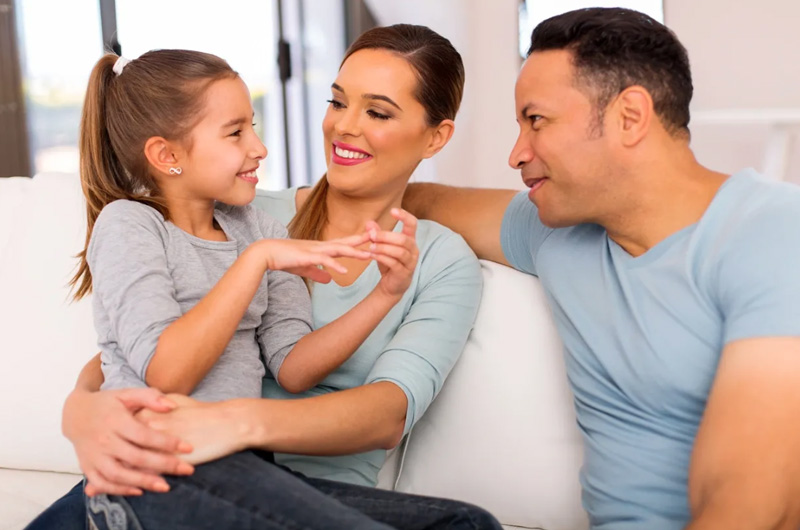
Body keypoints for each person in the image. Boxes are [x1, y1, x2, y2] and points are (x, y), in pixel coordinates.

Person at [27, 25, 501, 530]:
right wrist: (80, 412)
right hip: (179, 468)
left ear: (436, 136)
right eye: (337, 102)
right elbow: (128, 353)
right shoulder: (236, 211)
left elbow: (314, 380)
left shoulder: (423, 257)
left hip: (274, 479)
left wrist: (386, 293)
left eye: (378, 112)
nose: (344, 127)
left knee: (468, 525)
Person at [399, 7, 800, 530]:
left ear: (629, 117)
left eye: (536, 120)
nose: (516, 153)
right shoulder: (557, 230)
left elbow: (742, 506)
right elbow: (421, 200)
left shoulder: (772, 232)